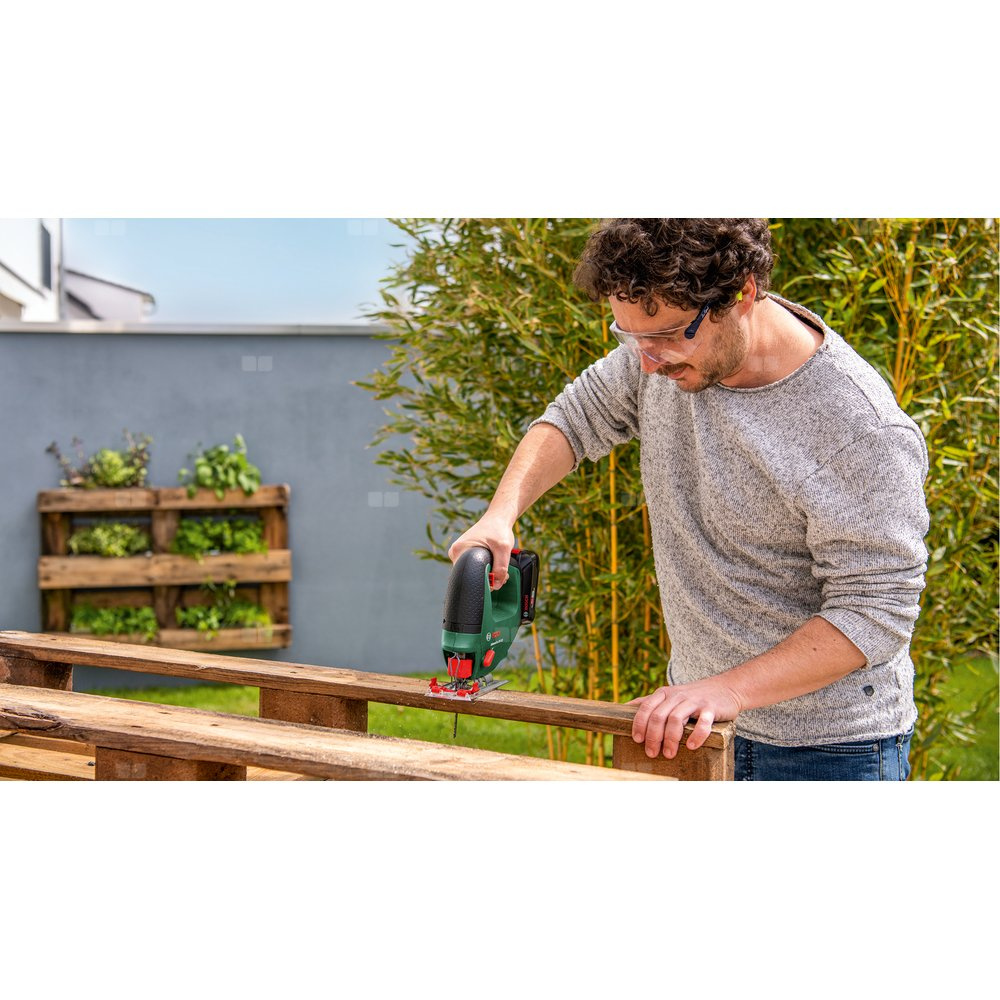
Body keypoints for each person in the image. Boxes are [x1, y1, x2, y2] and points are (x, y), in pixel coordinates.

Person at [447, 218, 930, 781]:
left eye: (669, 336)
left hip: (827, 751)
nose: (647, 362)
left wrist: (729, 690)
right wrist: (499, 515)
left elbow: (874, 610)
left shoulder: (859, 429)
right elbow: (576, 416)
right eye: (630, 336)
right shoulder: (660, 352)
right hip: (695, 717)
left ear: (743, 293)